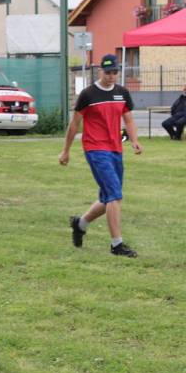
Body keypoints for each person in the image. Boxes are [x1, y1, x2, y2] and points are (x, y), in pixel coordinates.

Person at [59, 54, 143, 258]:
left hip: (116, 148)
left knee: (108, 198)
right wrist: (66, 150)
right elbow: (74, 125)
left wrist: (133, 140)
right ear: (100, 72)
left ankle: (80, 223)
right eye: (108, 72)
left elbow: (129, 119)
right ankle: (117, 245)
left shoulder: (122, 93)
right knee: (115, 194)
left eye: (115, 72)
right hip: (95, 150)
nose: (112, 76)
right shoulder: (88, 94)